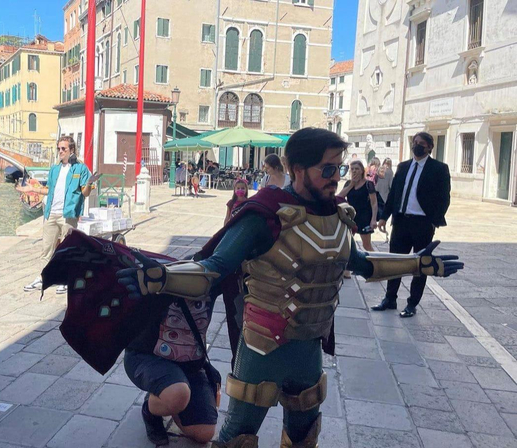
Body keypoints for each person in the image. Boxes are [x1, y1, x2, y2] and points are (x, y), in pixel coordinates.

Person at [117, 127, 463, 447]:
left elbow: (363, 264)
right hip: (262, 349)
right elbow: (214, 269)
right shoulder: (264, 215)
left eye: (338, 169)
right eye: (326, 170)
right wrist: (162, 278)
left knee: (304, 437)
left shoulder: (339, 217)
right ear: (297, 169)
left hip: (308, 350)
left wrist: (418, 263)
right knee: (238, 437)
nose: (335, 178)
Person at [372, 132, 452, 318]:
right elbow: (394, 194)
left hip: (422, 223)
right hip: (401, 221)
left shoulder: (439, 169)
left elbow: (444, 198)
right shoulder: (403, 167)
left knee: (419, 265)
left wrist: (434, 219)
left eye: (421, 144)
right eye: (415, 143)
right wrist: (384, 217)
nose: (417, 146)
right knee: (394, 263)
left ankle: (412, 304)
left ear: (430, 147)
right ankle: (389, 298)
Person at [20, 136, 99, 294]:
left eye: (63, 149)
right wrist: (33, 189)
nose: (60, 152)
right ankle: (43, 277)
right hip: (52, 213)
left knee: (68, 248)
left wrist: (89, 183)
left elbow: (85, 192)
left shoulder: (80, 169)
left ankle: (66, 279)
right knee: (47, 248)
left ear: (71, 150)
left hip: (68, 214)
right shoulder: (54, 169)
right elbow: (49, 189)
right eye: (59, 149)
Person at [338, 159, 378, 251]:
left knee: (366, 245)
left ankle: (375, 262)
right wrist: (351, 184)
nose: (354, 171)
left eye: (357, 169)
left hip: (364, 217)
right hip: (351, 216)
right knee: (346, 243)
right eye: (352, 169)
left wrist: (373, 219)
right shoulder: (348, 183)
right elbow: (340, 196)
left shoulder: (368, 184)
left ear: (361, 170)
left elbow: (374, 203)